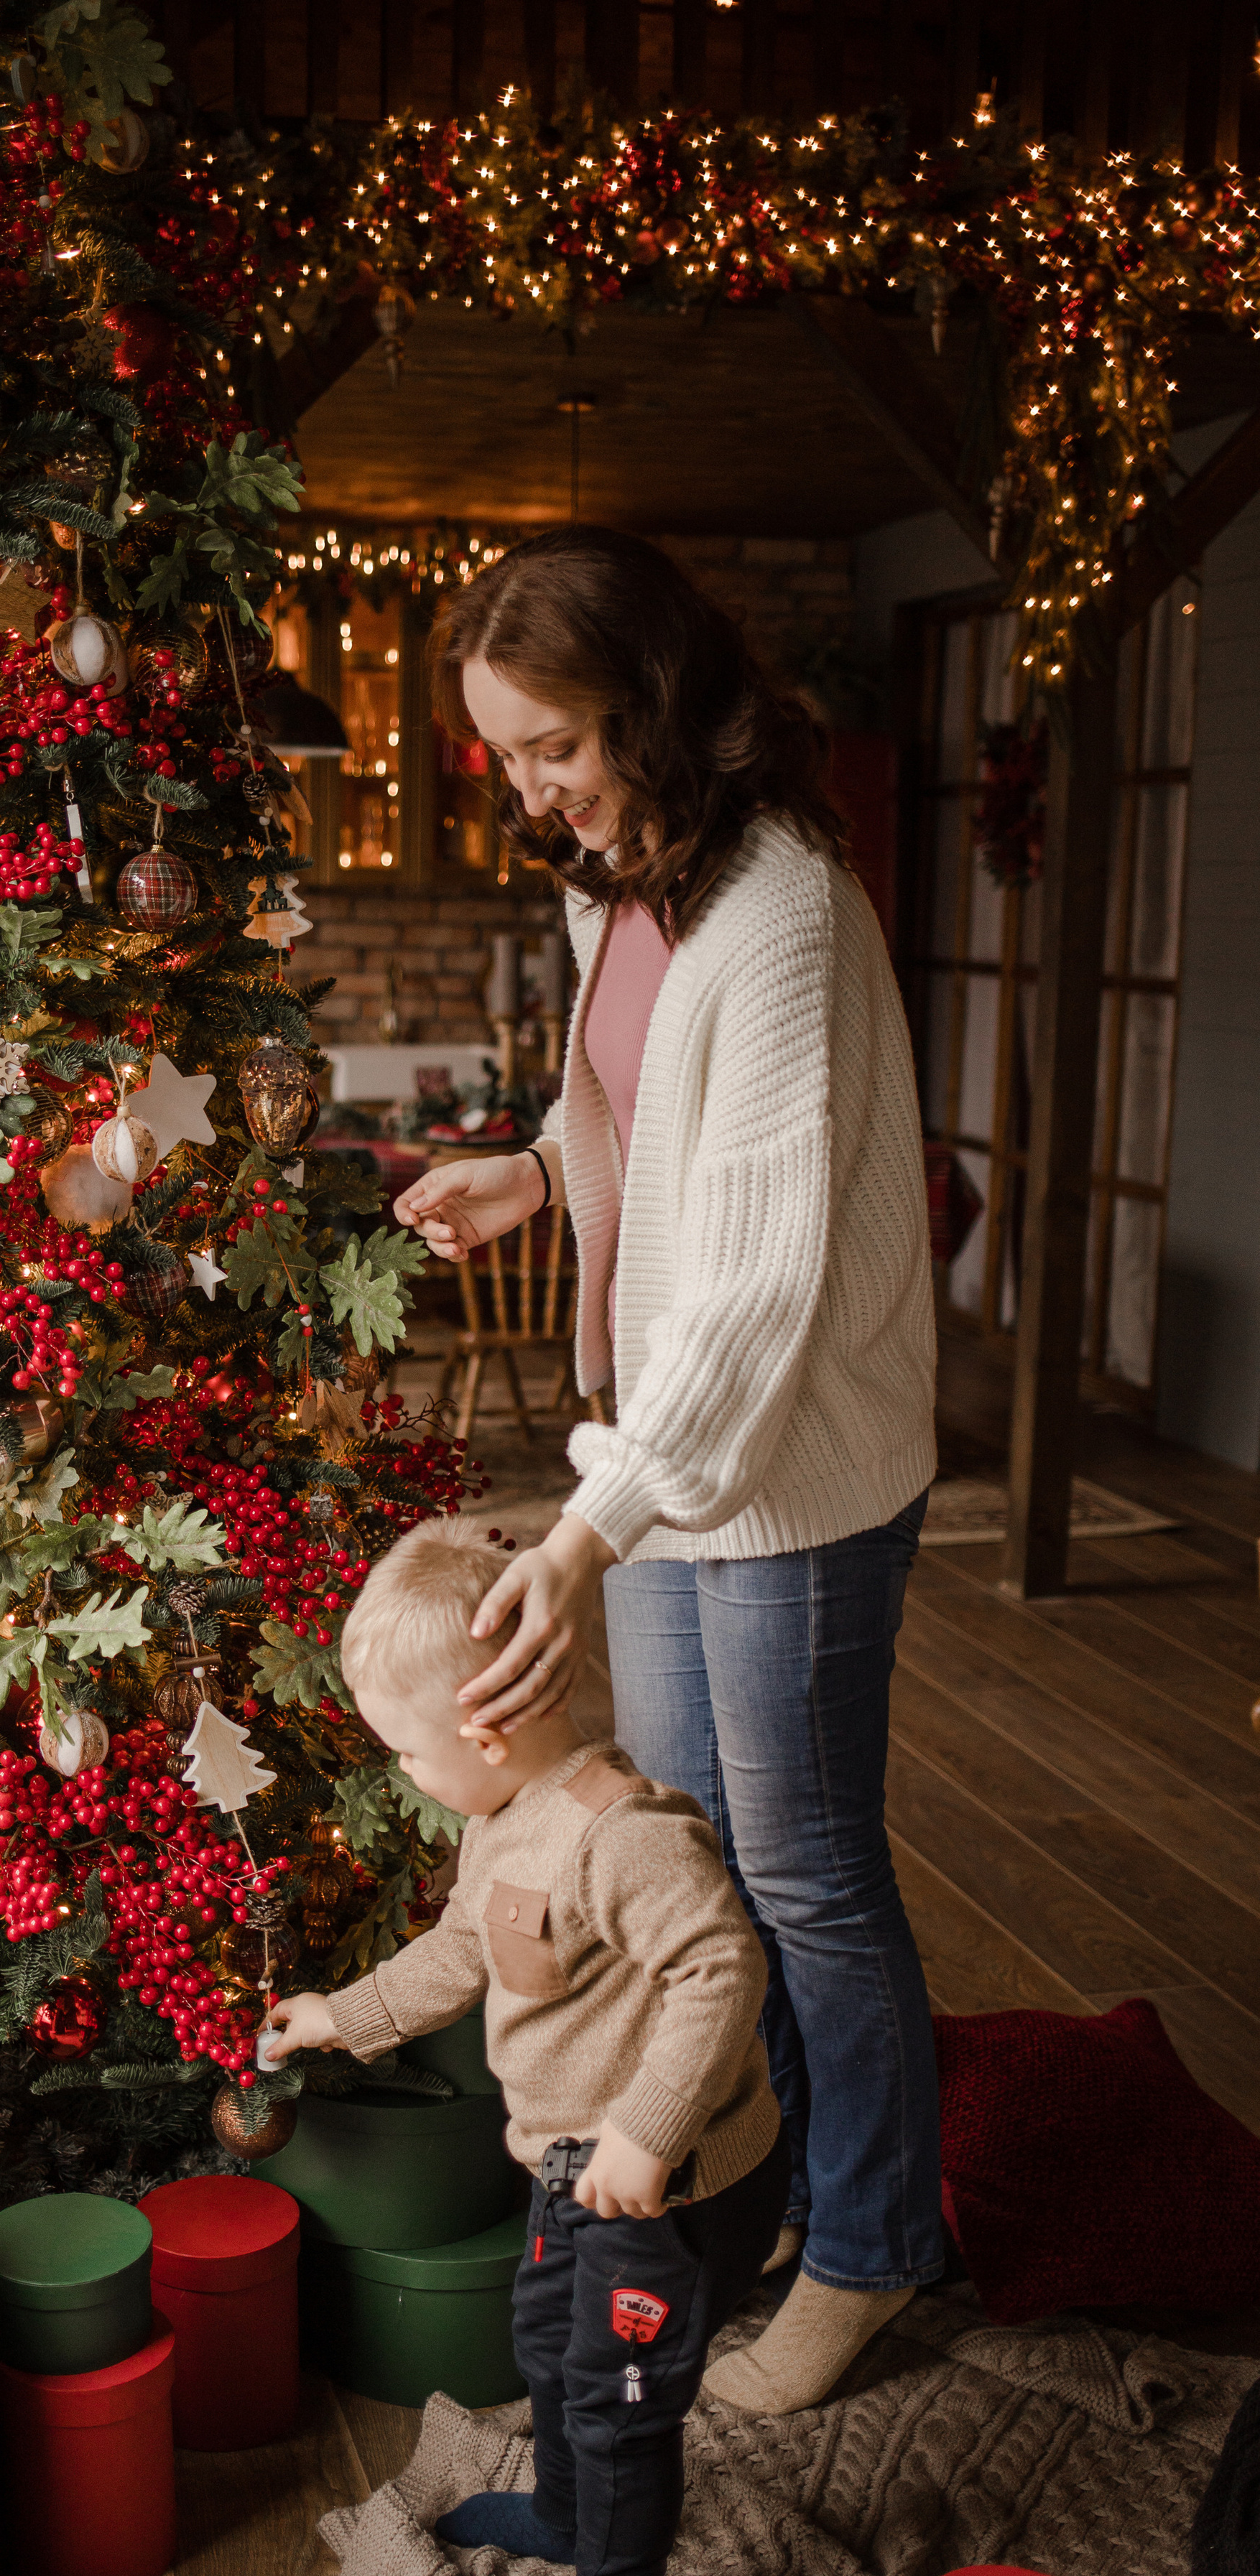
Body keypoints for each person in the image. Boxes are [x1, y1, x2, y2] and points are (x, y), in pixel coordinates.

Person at [392, 526, 940, 2415]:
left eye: (547, 745)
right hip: (672, 1461)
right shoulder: (633, 885)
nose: (527, 788)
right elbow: (630, 1101)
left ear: (647, 701)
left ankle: (874, 2251)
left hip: (780, 1479)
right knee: (705, 1873)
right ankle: (791, 2197)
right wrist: (540, 1171)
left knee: (803, 1880)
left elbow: (761, 1271)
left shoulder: (782, 907)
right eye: (506, 755)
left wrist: (594, 1522)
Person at [266, 1517, 787, 2576]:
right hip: (567, 2174)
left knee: (618, 2398)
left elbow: (724, 1968)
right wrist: (339, 2017)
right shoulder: (500, 1826)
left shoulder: (619, 1835)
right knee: (549, 2350)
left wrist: (649, 2138)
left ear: (487, 1730)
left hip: (664, 2192)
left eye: (402, 1748)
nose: (397, 1769)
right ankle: (563, 2513)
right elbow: (460, 1955)